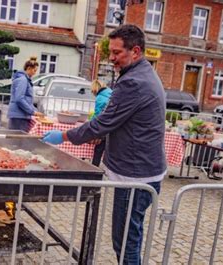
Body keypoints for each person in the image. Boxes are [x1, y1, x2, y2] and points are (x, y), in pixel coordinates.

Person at [42, 24, 166, 264]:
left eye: (117, 52)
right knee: (130, 237)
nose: (111, 58)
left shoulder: (135, 82)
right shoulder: (139, 73)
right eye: (111, 52)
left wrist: (65, 136)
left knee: (126, 241)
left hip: (136, 177)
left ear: (136, 51)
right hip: (142, 171)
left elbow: (102, 124)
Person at [7, 56, 43, 132]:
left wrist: (34, 110)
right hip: (19, 117)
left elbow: (26, 100)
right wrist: (32, 112)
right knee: (18, 141)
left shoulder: (23, 79)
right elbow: (19, 99)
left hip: (19, 115)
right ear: (29, 68)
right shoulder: (23, 80)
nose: (35, 73)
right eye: (34, 70)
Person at [90, 79, 112, 167]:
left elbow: (98, 114)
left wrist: (90, 123)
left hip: (104, 126)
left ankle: (94, 169)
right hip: (113, 125)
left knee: (98, 149)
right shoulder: (110, 92)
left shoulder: (100, 97)